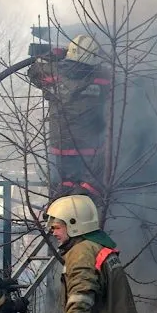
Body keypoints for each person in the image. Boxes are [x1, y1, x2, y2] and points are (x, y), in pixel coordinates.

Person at [28, 34, 111, 203]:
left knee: (61, 198)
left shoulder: (54, 72)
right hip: (91, 150)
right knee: (88, 201)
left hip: (61, 149)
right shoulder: (103, 76)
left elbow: (33, 72)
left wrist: (53, 55)